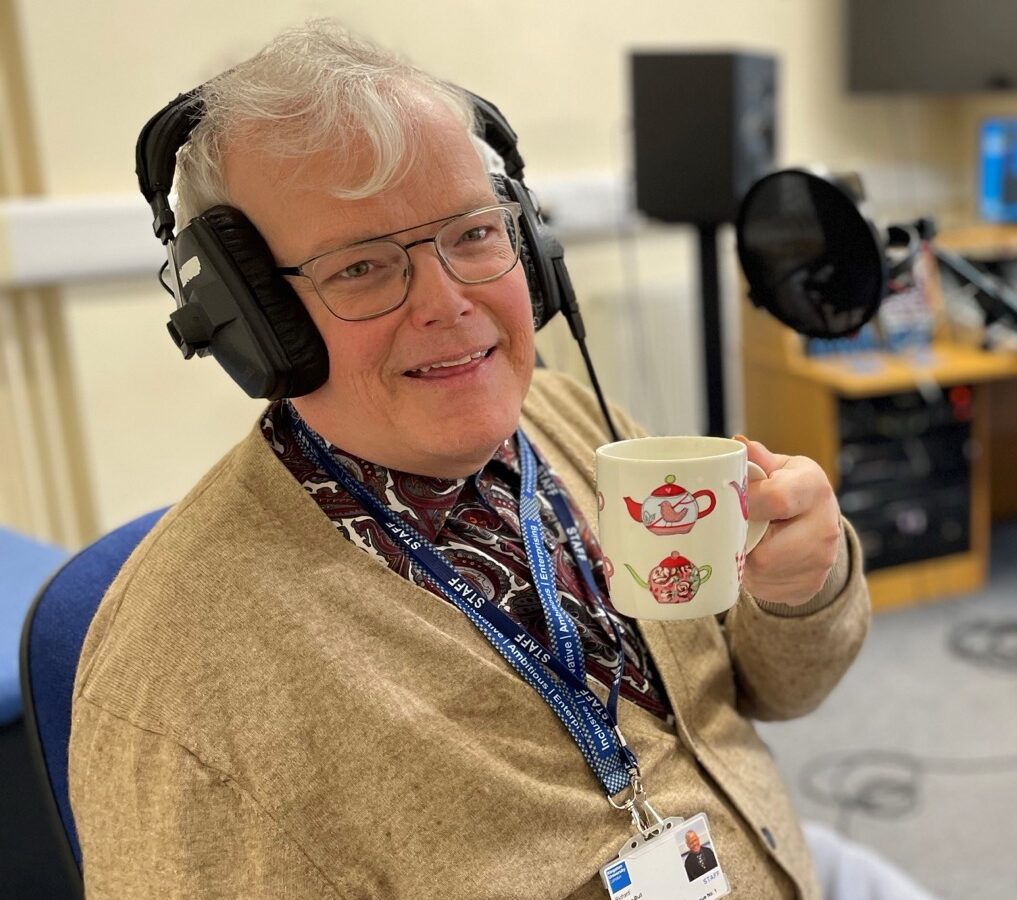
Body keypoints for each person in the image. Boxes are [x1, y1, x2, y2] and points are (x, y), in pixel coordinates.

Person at [69, 22, 882, 899]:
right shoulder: (183, 690)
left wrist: (802, 589)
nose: (450, 303)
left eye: (474, 235)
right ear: (256, 324)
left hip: (781, 853)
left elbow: (769, 691)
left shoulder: (567, 419)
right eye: (361, 267)